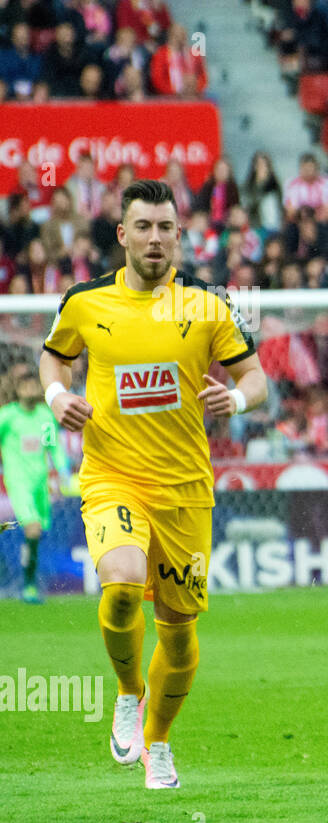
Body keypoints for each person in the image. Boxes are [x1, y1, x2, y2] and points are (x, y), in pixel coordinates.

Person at [39, 179, 267, 789]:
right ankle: (127, 692)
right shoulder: (86, 302)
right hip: (113, 476)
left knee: (180, 629)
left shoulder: (209, 306)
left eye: (167, 227)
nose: (156, 238)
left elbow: (257, 379)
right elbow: (53, 357)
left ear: (180, 235)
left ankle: (158, 742)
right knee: (120, 581)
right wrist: (58, 394)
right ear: (122, 234)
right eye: (143, 226)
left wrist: (235, 400)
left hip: (185, 490)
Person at [0, 371, 75, 602]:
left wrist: (62, 471)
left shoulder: (44, 416)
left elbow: (54, 448)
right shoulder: (8, 416)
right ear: (18, 389)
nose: (30, 388)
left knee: (37, 531)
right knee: (32, 528)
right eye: (25, 384)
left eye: (34, 384)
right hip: (18, 481)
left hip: (40, 483)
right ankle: (29, 586)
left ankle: (27, 579)